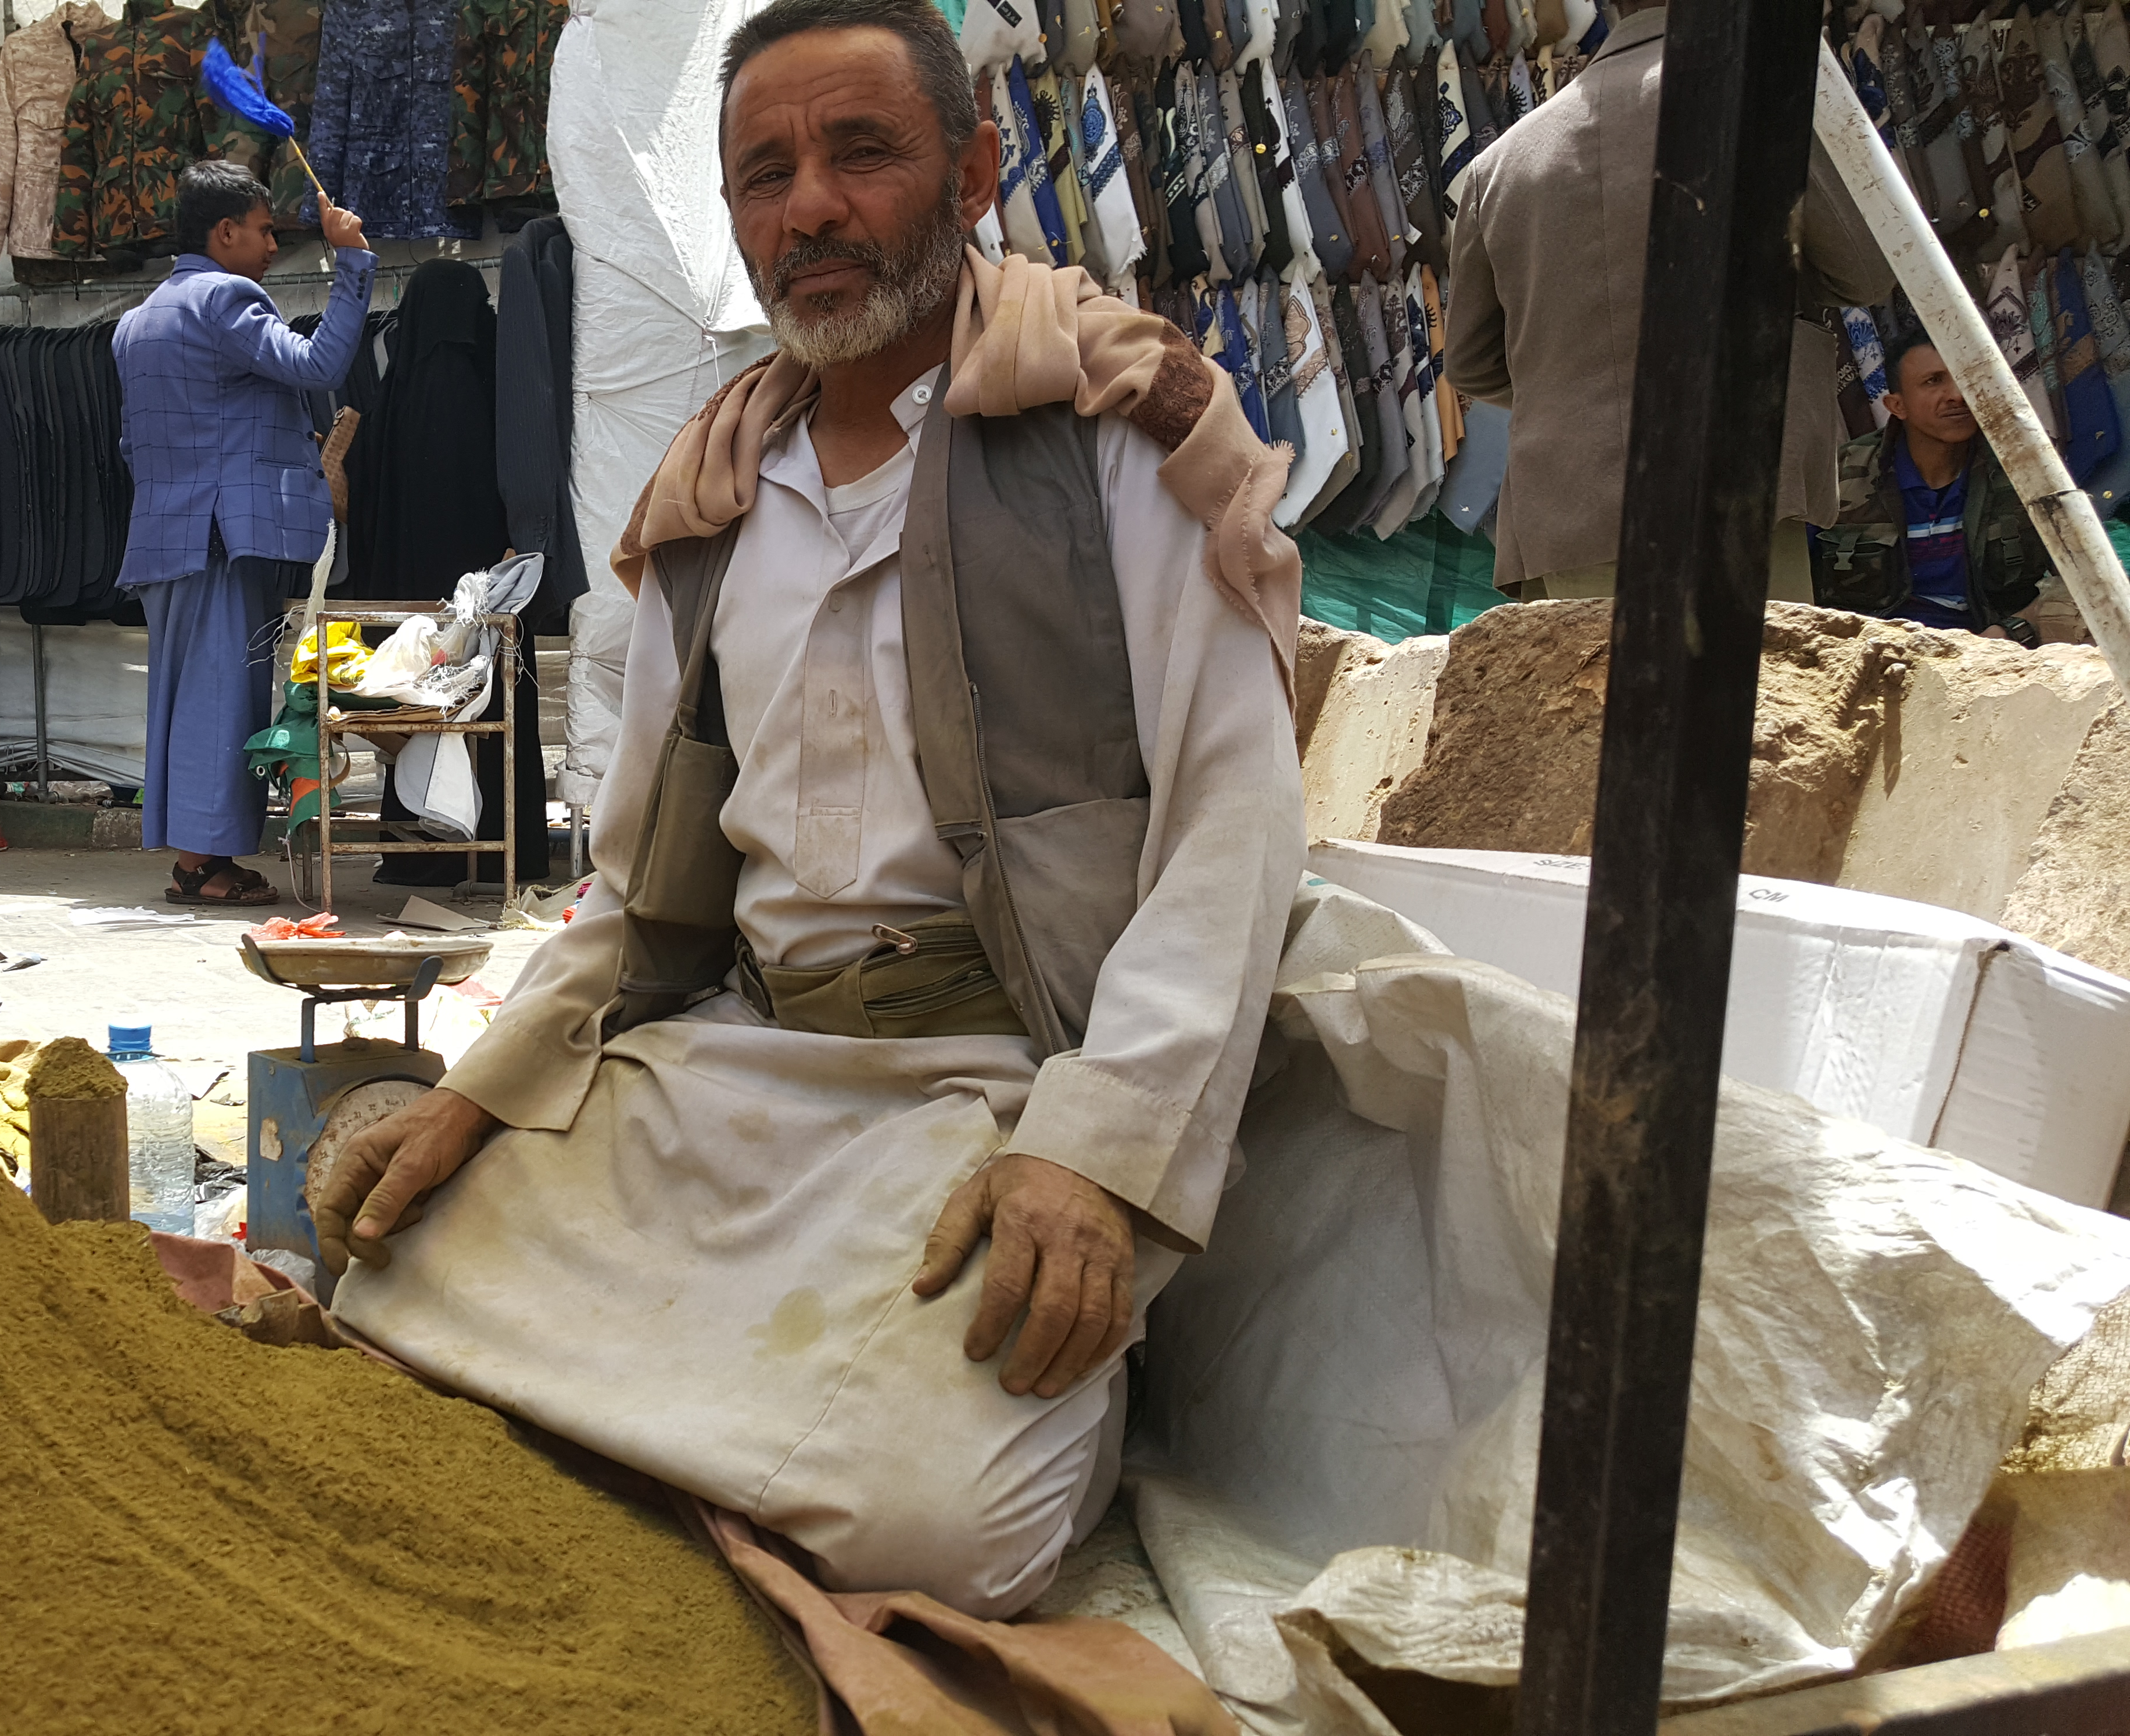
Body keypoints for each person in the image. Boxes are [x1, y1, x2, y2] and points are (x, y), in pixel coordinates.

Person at [315, 0, 1303, 1619]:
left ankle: (786, 1422)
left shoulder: (1112, 429)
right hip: (740, 1064)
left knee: (951, 1533)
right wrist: (480, 1091)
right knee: (389, 1282)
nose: (811, 209)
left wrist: (1095, 1156)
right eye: (764, 175)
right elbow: (637, 889)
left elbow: (1234, 825)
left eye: (861, 153)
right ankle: (740, 1426)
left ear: (971, 173)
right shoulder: (712, 490)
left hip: (1002, 1082)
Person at [1441, 0, 1894, 600]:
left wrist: (1570, 384)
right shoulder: (1760, 97)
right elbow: (1867, 271)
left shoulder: (1498, 168)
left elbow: (1470, 363)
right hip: (1734, 481)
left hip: (1571, 511)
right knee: (1757, 665)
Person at [112, 159, 373, 908]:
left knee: (185, 696)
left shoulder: (138, 319)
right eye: (263, 231)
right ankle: (201, 866)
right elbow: (318, 363)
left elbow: (140, 440)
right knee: (222, 698)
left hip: (169, 533)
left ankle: (197, 856)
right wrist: (351, 262)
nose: (271, 246)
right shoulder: (225, 299)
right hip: (223, 535)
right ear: (225, 233)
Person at [1812, 335, 2046, 644]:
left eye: (1965, 377)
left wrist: (2009, 632)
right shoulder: (1841, 476)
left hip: (1993, 652)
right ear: (1897, 406)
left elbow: (2082, 578)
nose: (1958, 395)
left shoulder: (2025, 468)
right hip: (1873, 652)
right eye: (1934, 381)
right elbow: (1794, 588)